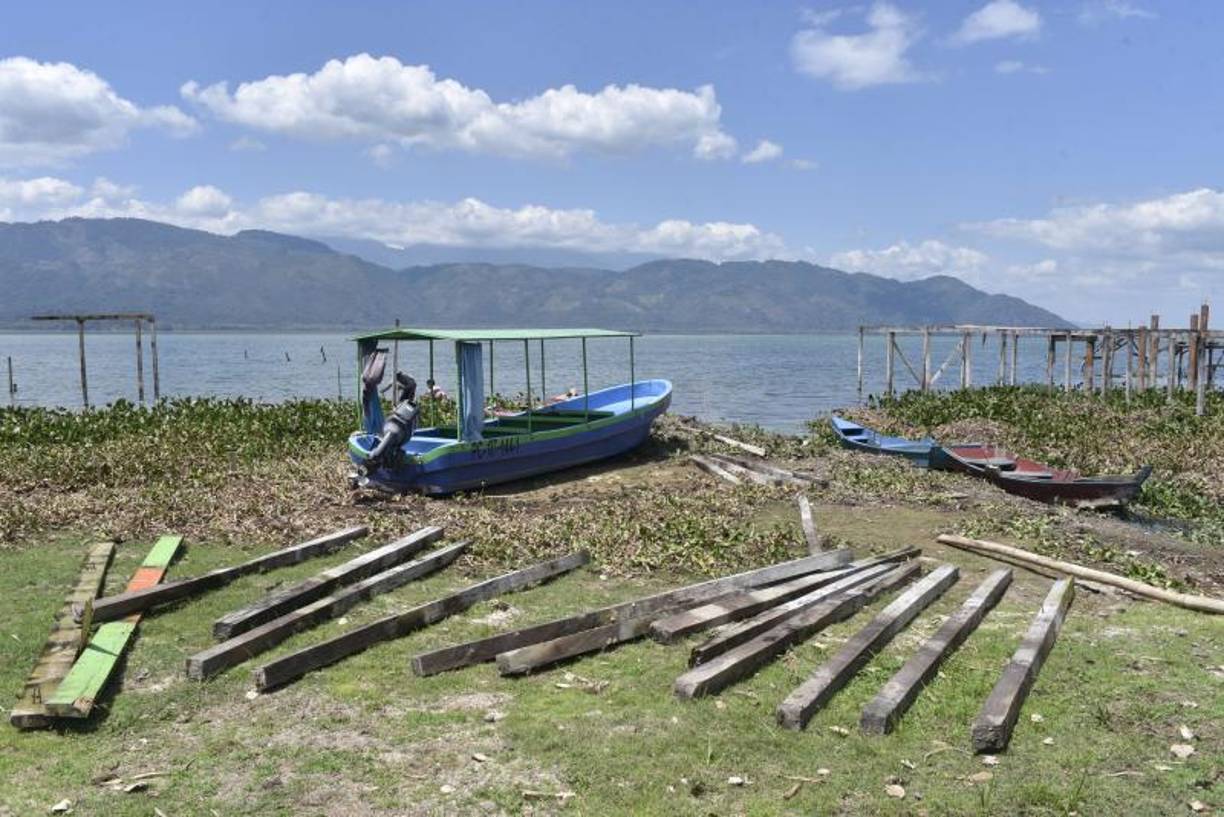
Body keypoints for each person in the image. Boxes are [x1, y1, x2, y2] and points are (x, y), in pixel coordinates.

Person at [365, 373, 419, 468]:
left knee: (408, 395)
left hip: (400, 419)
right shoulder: (409, 387)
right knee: (409, 391)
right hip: (397, 423)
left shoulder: (409, 391)